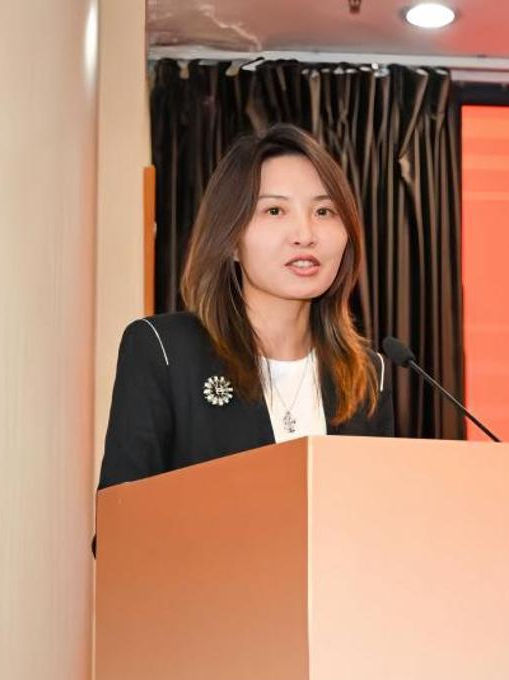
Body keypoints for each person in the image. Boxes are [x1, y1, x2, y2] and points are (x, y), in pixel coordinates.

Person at [98, 123, 393, 501]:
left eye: (324, 211)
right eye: (275, 210)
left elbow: (379, 520)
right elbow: (120, 523)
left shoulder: (366, 374)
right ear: (232, 240)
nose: (305, 234)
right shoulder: (164, 350)